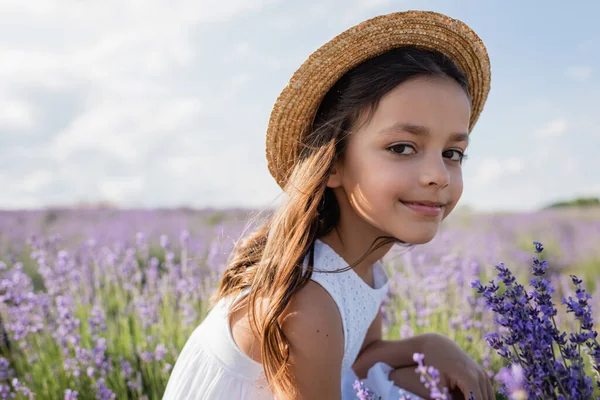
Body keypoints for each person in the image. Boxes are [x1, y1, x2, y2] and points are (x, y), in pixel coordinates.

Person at [162, 9, 494, 400]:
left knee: (434, 381)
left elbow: (357, 359)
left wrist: (430, 345)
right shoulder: (310, 302)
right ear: (332, 163)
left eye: (453, 153)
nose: (437, 174)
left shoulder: (360, 261)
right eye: (402, 148)